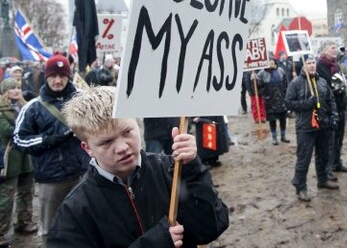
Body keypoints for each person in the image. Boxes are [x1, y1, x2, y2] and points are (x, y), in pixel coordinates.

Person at [47, 86, 229, 247]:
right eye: (106, 142)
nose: (122, 147)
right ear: (88, 149)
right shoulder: (76, 210)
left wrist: (193, 168)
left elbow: (211, 228)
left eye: (127, 132)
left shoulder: (171, 170)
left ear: (136, 124)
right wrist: (155, 242)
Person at [12, 54, 90, 247]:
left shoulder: (83, 100)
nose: (57, 80)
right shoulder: (32, 108)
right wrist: (47, 140)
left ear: (68, 77)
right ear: (46, 77)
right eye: (53, 75)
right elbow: (19, 139)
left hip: (83, 173)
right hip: (51, 179)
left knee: (87, 221)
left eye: (62, 76)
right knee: (50, 227)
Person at [285, 53, 339, 202]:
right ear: (303, 66)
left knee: (323, 155)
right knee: (304, 158)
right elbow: (288, 103)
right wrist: (307, 103)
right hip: (305, 127)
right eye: (309, 63)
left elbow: (331, 99)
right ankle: (300, 187)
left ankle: (322, 180)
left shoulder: (322, 81)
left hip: (323, 125)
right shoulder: (295, 83)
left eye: (313, 62)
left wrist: (334, 116)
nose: (312, 65)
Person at [0, 79, 37, 248]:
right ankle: (1, 231)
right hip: (10, 158)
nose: (16, 90)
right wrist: (23, 125)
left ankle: (24, 221)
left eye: (18, 87)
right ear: (5, 91)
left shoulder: (25, 106)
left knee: (27, 191)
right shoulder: (1, 109)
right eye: (12, 88)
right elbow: (7, 130)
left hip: (25, 156)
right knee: (6, 197)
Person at [317, 41, 347, 174]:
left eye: (335, 48)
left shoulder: (335, 64)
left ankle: (337, 162)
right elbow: (324, 84)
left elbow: (340, 80)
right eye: (332, 48)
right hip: (330, 106)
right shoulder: (320, 65)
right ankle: (329, 166)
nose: (335, 50)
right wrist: (336, 86)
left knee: (339, 136)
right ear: (324, 50)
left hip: (341, 104)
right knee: (330, 139)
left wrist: (344, 84)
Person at [256, 55, 290, 145]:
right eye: (269, 61)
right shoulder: (262, 73)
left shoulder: (280, 70)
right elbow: (258, 87)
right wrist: (255, 79)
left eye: (272, 61)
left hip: (281, 99)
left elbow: (285, 83)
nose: (271, 62)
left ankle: (283, 136)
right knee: (272, 120)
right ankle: (274, 138)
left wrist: (286, 95)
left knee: (283, 119)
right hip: (270, 101)